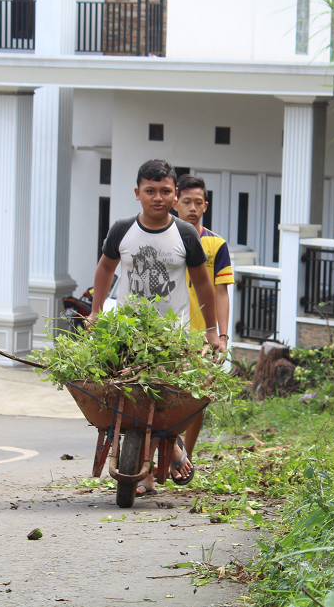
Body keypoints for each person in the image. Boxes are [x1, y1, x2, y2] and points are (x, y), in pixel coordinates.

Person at [88, 160, 225, 493]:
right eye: (150, 191)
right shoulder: (122, 229)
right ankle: (163, 454)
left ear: (175, 194)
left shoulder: (186, 234)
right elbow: (105, 269)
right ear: (138, 193)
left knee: (163, 397)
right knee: (126, 393)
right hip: (126, 331)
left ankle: (153, 465)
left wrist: (211, 330)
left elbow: (203, 284)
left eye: (165, 191)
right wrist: (95, 312)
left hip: (172, 335)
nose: (158, 198)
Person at [174, 174, 235, 464]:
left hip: (203, 338)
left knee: (196, 401)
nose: (192, 208)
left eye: (198, 202)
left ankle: (187, 455)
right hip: (168, 335)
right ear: (175, 203)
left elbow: (221, 293)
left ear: (206, 205)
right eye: (186, 201)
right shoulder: (165, 240)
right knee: (161, 399)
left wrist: (222, 336)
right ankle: (153, 465)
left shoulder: (217, 245)